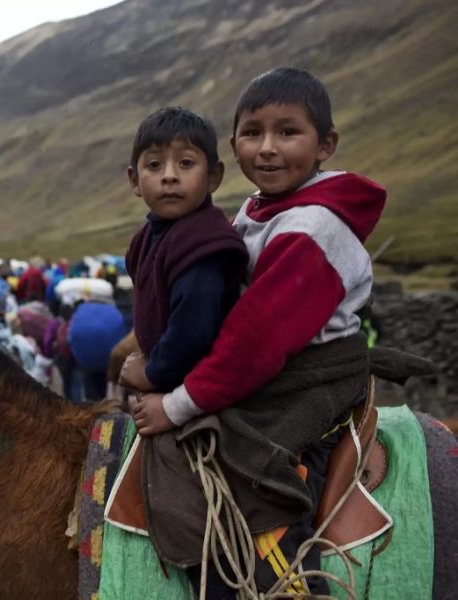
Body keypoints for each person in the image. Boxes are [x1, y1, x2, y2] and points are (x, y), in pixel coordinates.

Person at [125, 68, 386, 597]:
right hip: (270, 370)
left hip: (308, 381)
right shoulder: (259, 208)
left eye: (287, 132)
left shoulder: (312, 230)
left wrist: (174, 404)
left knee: (259, 481)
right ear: (233, 146)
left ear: (325, 146)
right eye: (252, 133)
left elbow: (254, 343)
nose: (267, 149)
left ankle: (284, 583)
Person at [119, 107, 247, 405]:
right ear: (135, 180)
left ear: (213, 176)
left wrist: (151, 374)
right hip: (168, 378)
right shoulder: (145, 239)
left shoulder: (202, 246)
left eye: (186, 163)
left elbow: (192, 336)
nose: (169, 177)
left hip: (198, 389)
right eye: (154, 165)